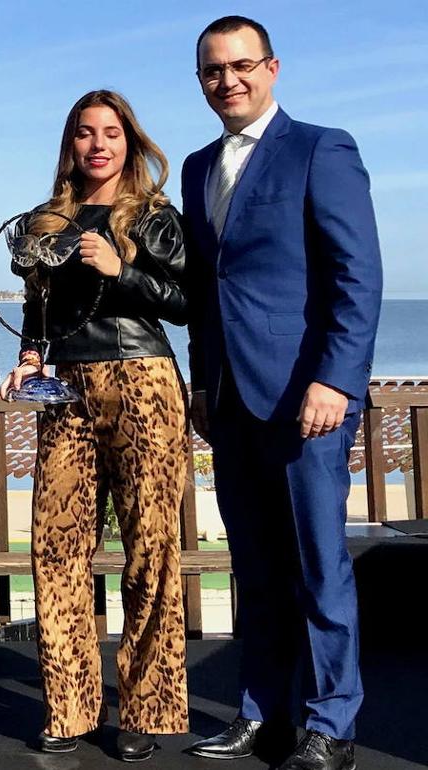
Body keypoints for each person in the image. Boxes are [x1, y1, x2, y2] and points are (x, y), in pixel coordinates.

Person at [181, 17, 381, 770]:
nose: (226, 81)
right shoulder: (199, 166)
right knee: (255, 569)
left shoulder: (321, 148)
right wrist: (202, 381)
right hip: (233, 402)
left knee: (320, 566)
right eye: (211, 71)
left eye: (240, 66)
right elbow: (207, 288)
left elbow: (356, 275)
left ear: (272, 67)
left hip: (309, 398)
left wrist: (337, 377)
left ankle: (332, 722)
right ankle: (261, 715)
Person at [0, 90, 190, 761]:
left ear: (129, 142)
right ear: (70, 144)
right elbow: (36, 301)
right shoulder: (45, 219)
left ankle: (147, 707)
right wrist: (29, 354)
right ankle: (70, 707)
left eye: (111, 133)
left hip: (144, 383)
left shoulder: (157, 215)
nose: (98, 144)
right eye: (85, 133)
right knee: (54, 546)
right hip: (67, 389)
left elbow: (190, 301)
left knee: (151, 548)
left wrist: (125, 269)